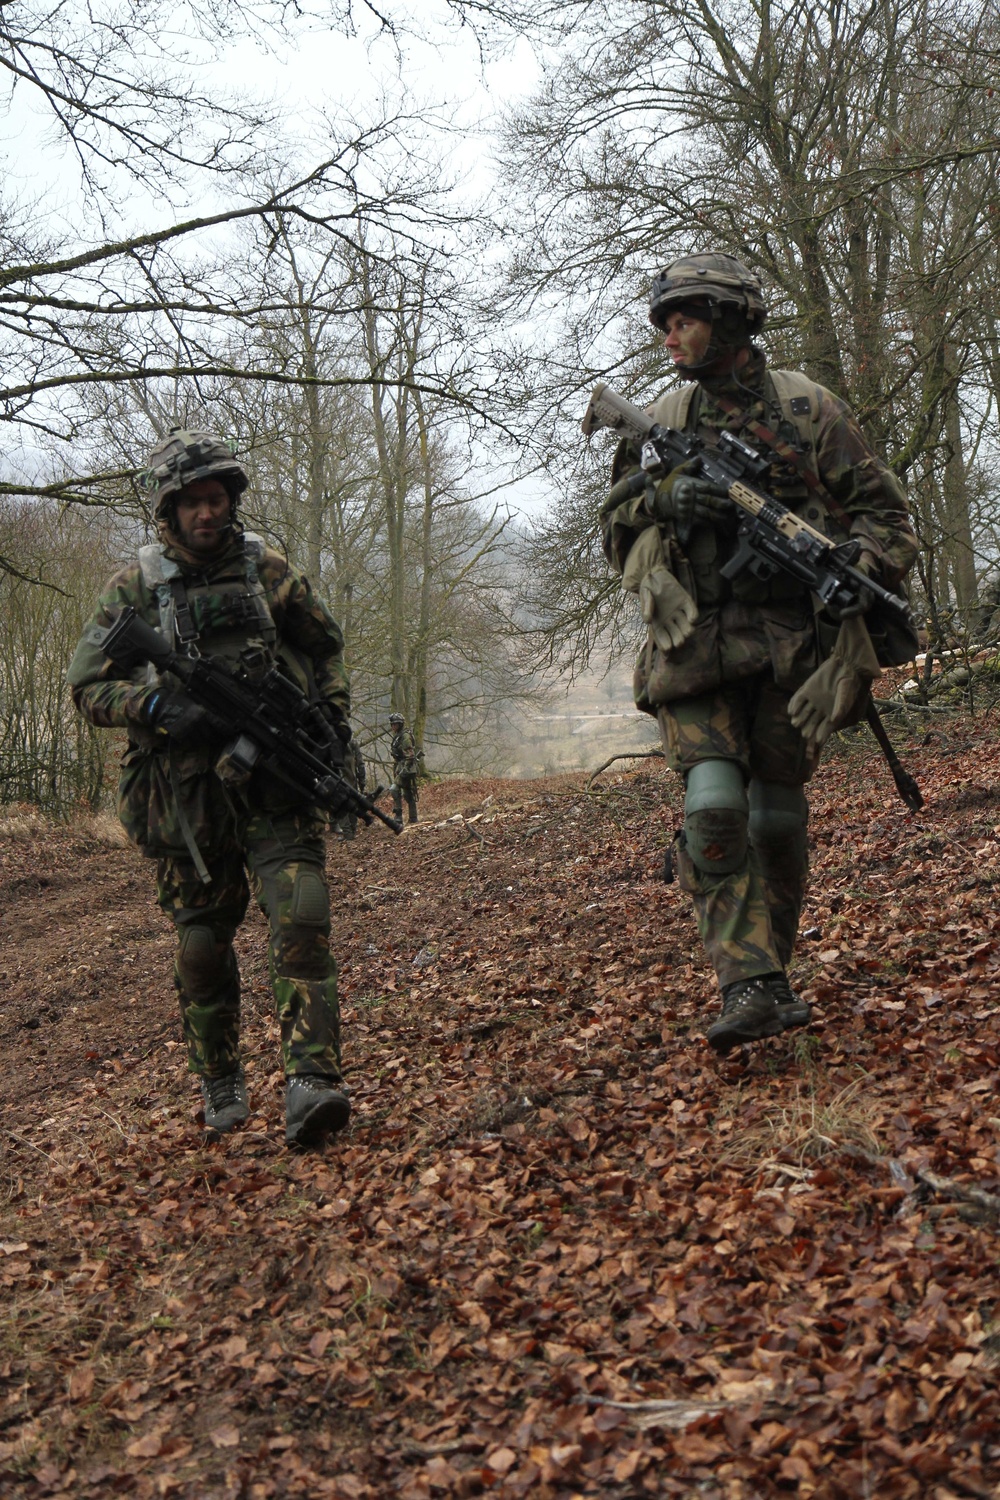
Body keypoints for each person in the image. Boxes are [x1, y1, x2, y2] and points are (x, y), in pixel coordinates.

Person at [599, 253, 918, 1054]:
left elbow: (889, 520)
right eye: (665, 323)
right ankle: (744, 982)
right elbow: (616, 528)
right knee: (712, 807)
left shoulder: (811, 409)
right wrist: (664, 498)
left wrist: (858, 565)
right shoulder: (666, 417)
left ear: (733, 319)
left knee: (775, 817)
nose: (671, 336)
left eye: (686, 319)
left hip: (791, 650)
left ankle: (767, 972)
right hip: (694, 645)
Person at [67, 427, 353, 1146]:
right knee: (201, 946)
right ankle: (220, 1074)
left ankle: (312, 1081)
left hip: (276, 784)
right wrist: (157, 707)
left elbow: (325, 652)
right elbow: (86, 687)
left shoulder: (269, 572)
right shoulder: (133, 589)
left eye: (216, 498)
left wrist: (332, 727)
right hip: (186, 798)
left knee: (302, 918)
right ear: (168, 510)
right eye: (192, 501)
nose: (207, 513)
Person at [388, 712, 420, 824]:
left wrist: (404, 770)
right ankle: (413, 818)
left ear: (400, 724)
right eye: (392, 724)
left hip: (407, 767)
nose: (393, 727)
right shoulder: (398, 735)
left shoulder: (405, 736)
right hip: (401, 766)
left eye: (395, 724)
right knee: (407, 793)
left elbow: (410, 755)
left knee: (394, 789)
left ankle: (398, 817)